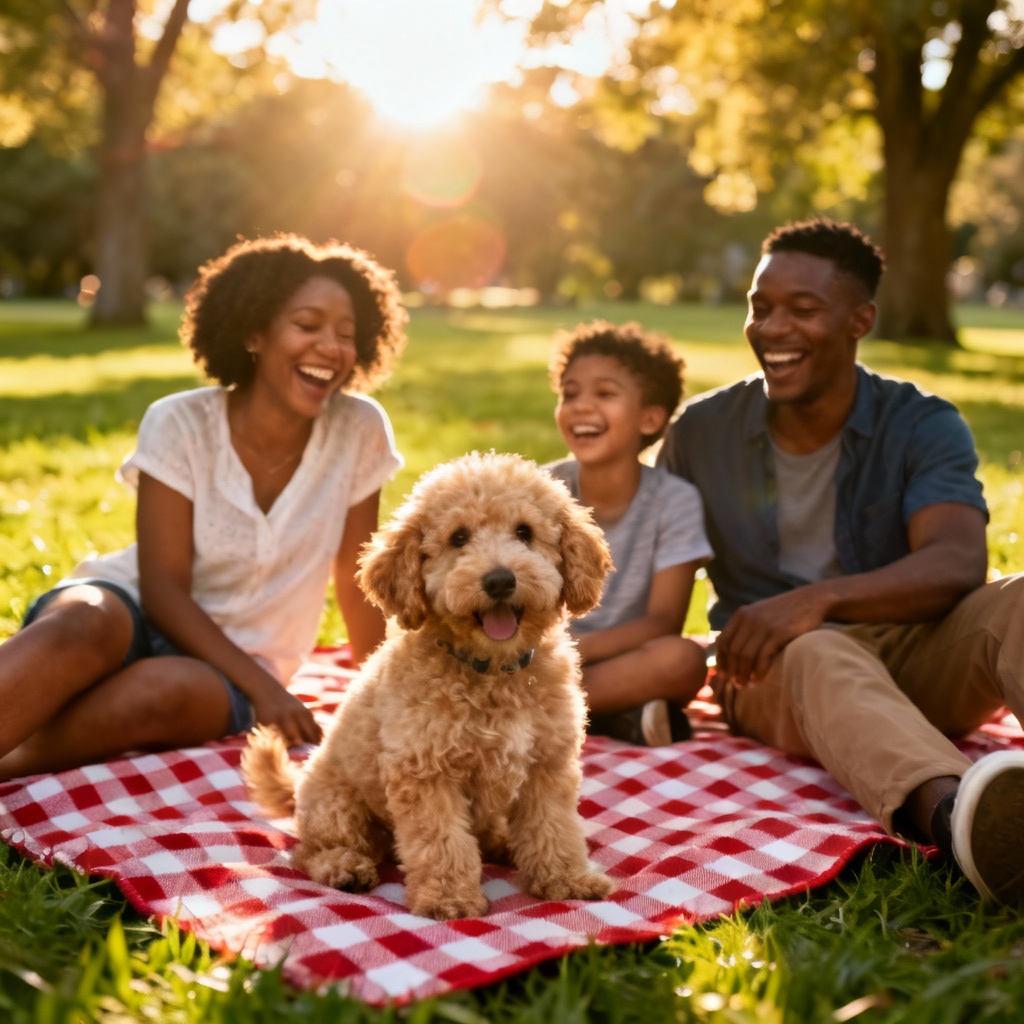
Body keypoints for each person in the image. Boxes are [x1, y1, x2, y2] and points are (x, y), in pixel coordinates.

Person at [657, 216, 1024, 908]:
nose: (772, 329)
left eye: (803, 310)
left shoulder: (921, 421)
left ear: (861, 321)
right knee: (819, 651)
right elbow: (655, 589)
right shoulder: (701, 433)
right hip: (772, 666)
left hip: (909, 649)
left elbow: (954, 562)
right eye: (760, 308)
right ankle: (968, 827)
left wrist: (817, 598)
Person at [0, 233, 408, 781]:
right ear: (253, 332)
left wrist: (383, 704)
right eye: (307, 326)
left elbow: (357, 578)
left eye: (346, 334)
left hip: (244, 661)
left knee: (164, 693)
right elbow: (163, 589)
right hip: (136, 607)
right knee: (82, 623)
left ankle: (15, 762)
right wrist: (269, 694)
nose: (330, 348)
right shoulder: (178, 422)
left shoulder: (360, 430)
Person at [546, 321, 712, 746]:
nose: (581, 406)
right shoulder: (540, 491)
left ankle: (545, 715)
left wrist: (574, 653)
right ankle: (620, 718)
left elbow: (664, 622)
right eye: (570, 393)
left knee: (685, 660)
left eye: (604, 393)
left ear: (650, 417)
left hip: (614, 660)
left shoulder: (675, 501)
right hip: (532, 655)